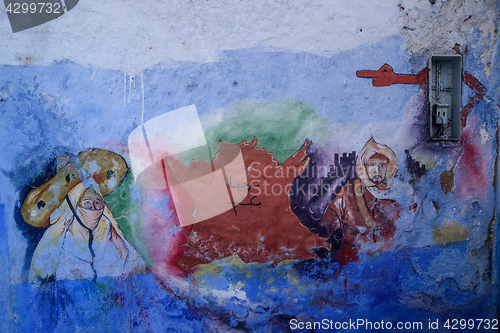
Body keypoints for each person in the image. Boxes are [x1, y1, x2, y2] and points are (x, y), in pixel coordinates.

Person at [29, 182, 146, 282]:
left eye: (97, 202)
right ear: (75, 205)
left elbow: (129, 259)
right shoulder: (61, 235)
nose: (93, 208)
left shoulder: (109, 229)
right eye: (87, 203)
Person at [319, 138, 400, 264]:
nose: (377, 170)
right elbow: (327, 225)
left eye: (382, 165)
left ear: (389, 168)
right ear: (364, 166)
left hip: (388, 263)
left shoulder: (399, 195)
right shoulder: (348, 191)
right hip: (353, 263)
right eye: (372, 164)